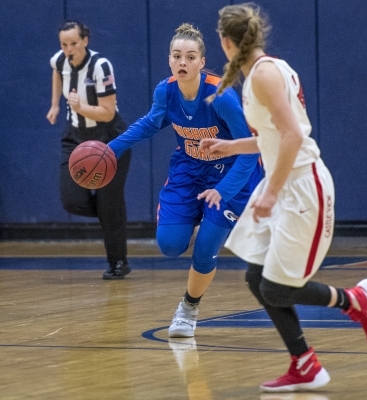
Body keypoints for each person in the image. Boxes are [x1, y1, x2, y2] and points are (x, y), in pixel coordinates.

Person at [200, 3, 367, 392]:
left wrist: (269, 192)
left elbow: (293, 137)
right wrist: (231, 146)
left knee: (275, 287)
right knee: (256, 275)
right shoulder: (261, 70)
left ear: (226, 41)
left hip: (302, 186)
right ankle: (304, 364)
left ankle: (355, 300)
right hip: (283, 181)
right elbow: (274, 136)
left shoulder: (264, 75)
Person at [107, 23, 262, 338]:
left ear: (202, 63)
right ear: (169, 60)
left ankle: (188, 308)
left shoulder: (221, 96)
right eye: (177, 56)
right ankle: (191, 218)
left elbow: (249, 153)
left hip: (231, 172)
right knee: (170, 245)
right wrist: (110, 150)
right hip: (189, 169)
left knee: (204, 250)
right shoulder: (165, 91)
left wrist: (222, 191)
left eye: (190, 57)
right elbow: (150, 124)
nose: (183, 62)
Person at [46, 20, 132, 280]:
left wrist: (80, 106)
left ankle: (118, 262)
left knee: (109, 202)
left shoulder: (100, 66)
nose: (68, 49)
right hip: (75, 137)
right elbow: (56, 71)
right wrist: (55, 104)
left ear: (85, 40)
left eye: (74, 43)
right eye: (64, 44)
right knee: (71, 200)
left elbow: (107, 113)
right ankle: (112, 211)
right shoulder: (60, 60)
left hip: (109, 138)